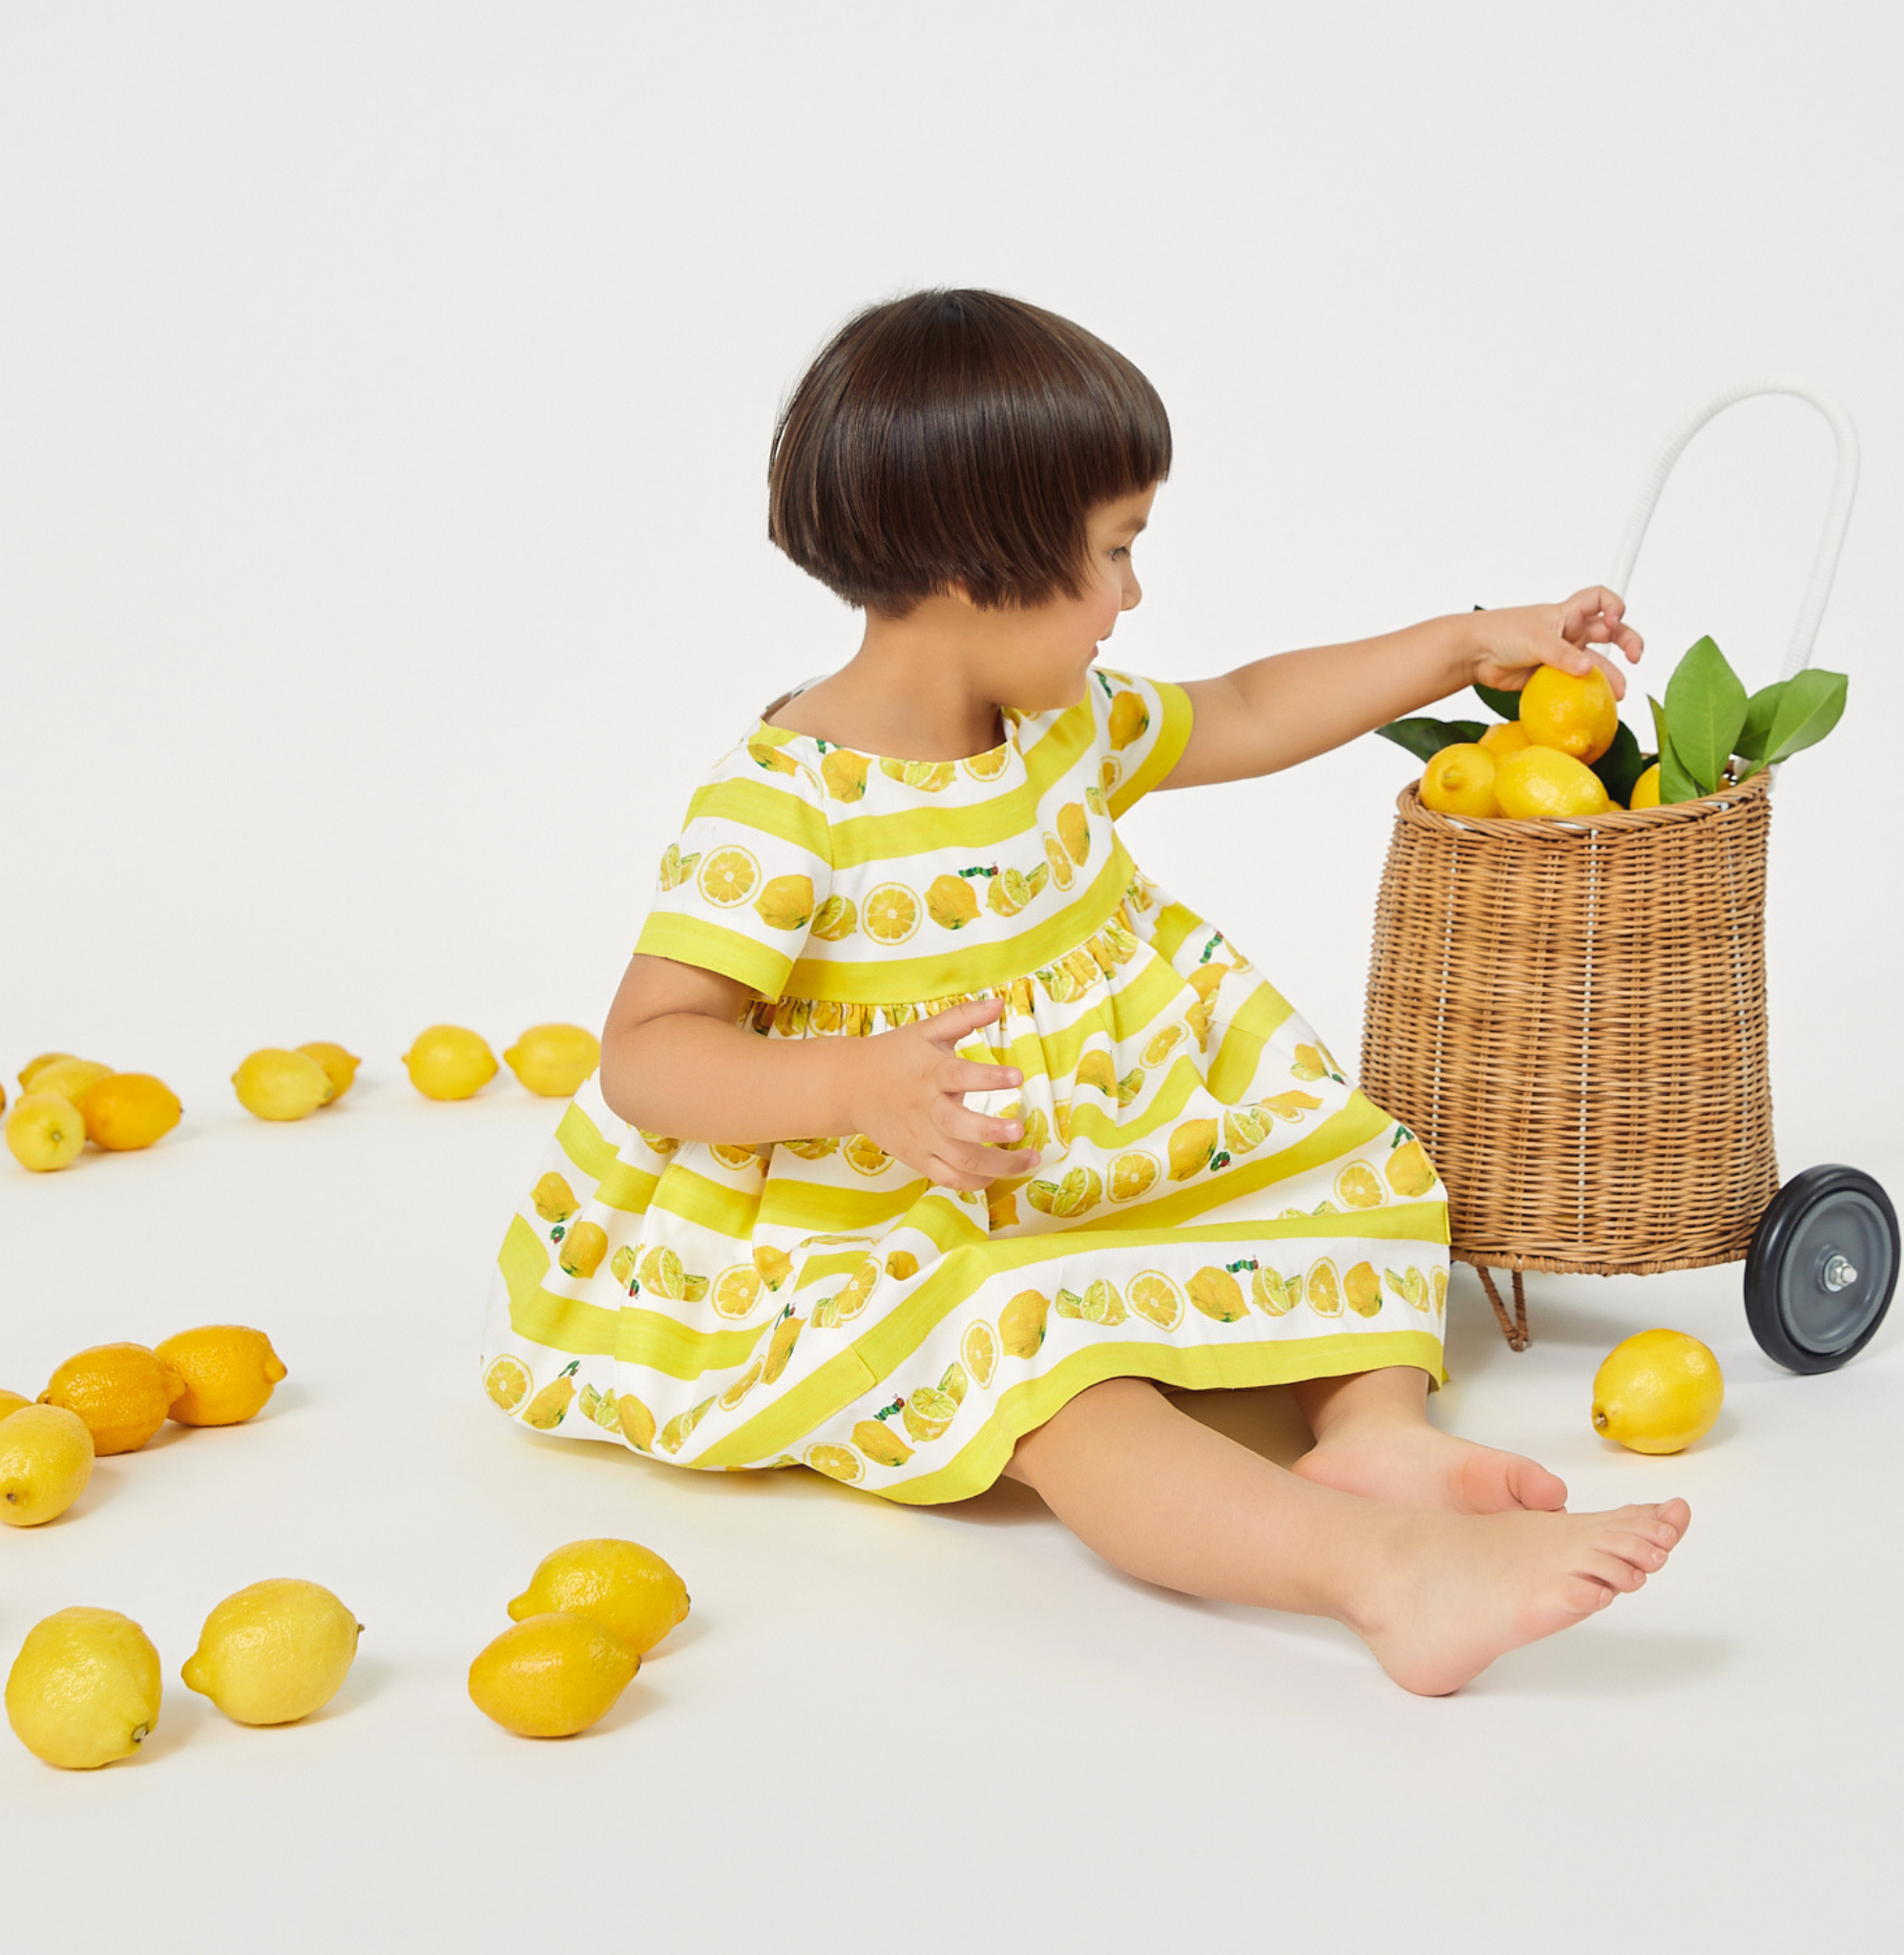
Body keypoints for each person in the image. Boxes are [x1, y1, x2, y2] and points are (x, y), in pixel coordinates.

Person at [479, 286, 1687, 1695]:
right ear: (972, 568)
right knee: (1036, 1360)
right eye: (1114, 554)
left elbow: (1242, 708)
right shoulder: (785, 804)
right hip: (886, 1214)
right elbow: (648, 1050)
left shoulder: (1054, 722)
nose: (1132, 596)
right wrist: (859, 1088)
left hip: (1097, 1152)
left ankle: (1373, 1427)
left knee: (1348, 1171)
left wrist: (1466, 643)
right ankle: (1376, 1574)